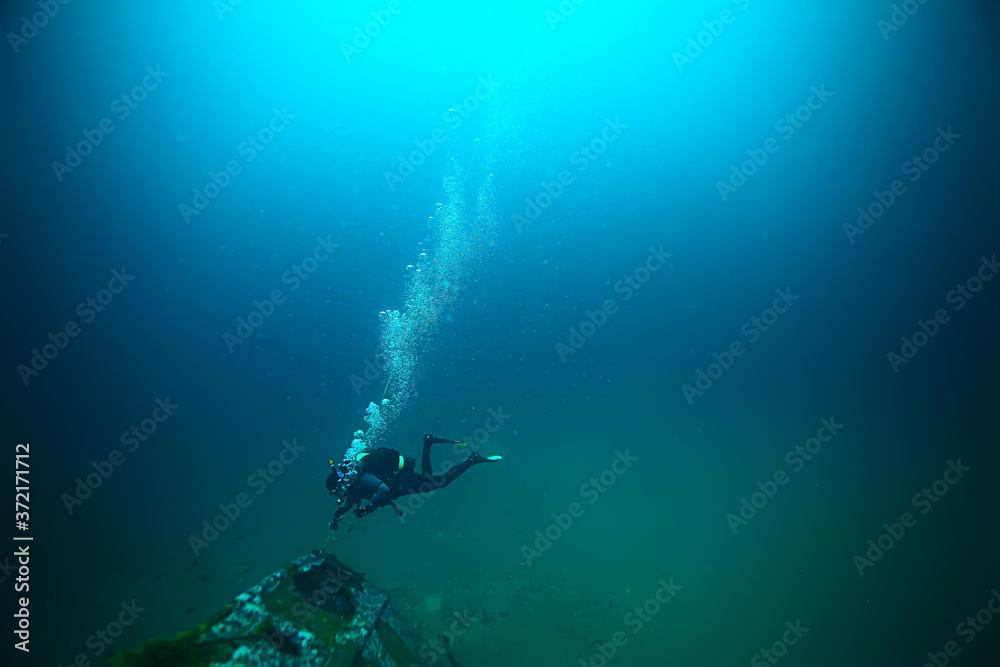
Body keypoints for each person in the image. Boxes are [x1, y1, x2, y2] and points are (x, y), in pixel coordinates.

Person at [327, 433, 501, 530]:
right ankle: (434, 445)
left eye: (336, 491)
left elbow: (384, 491)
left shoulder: (363, 478)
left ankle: (468, 458)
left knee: (438, 482)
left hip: (401, 483)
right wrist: (336, 517)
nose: (339, 495)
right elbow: (348, 503)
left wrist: (369, 508)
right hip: (401, 486)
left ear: (340, 482)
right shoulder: (354, 487)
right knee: (433, 480)